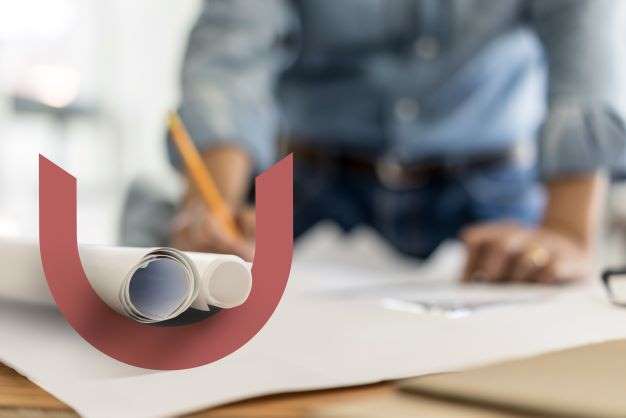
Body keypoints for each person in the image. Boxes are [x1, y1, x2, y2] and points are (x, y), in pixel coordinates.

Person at [167, 0, 626, 284]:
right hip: (311, 191)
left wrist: (566, 233)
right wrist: (213, 208)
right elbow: (228, 64)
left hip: (495, 201)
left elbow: (583, 77)